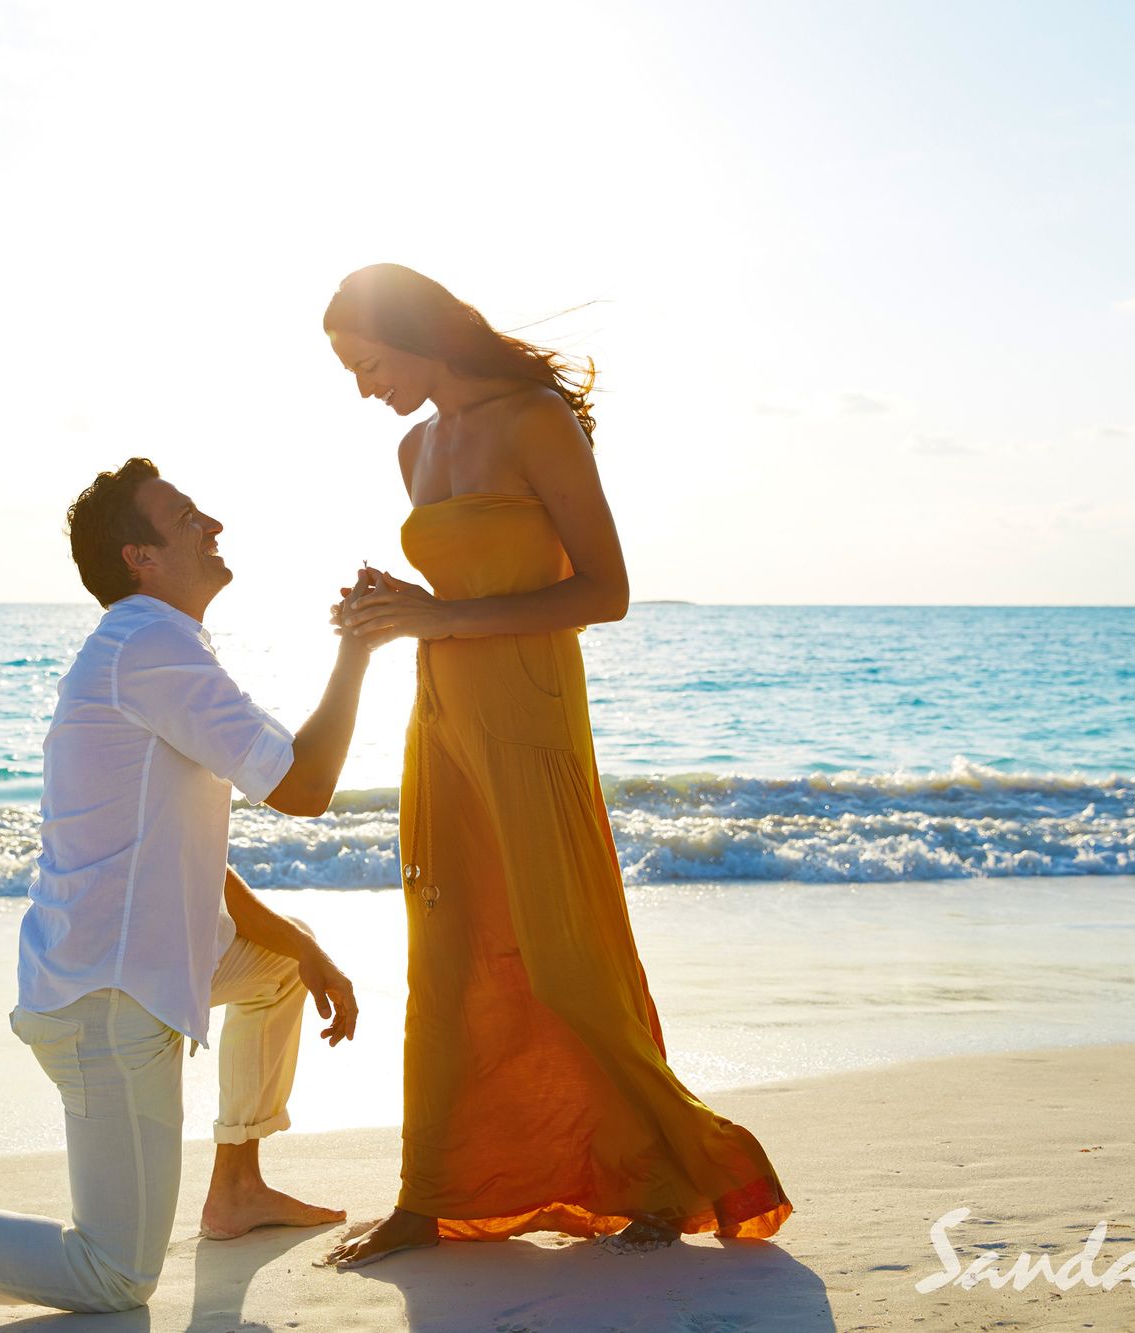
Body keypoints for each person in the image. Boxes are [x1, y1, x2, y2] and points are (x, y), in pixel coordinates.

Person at [0, 458, 376, 1330]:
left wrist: (300, 942)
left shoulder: (155, 643)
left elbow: (175, 839)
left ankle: (237, 1187)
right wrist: (358, 645)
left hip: (134, 961)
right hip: (108, 999)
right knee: (115, 1275)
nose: (213, 523)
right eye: (186, 517)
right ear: (141, 556)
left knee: (281, 961)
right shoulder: (149, 645)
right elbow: (306, 785)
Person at [319, 264, 792, 1267]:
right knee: (444, 954)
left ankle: (664, 1170)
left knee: (565, 957)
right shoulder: (414, 446)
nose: (364, 389)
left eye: (367, 363)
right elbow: (463, 582)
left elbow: (606, 590)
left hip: (529, 717)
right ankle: (427, 1196)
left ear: (413, 334)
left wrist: (439, 614)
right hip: (440, 716)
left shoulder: (534, 419)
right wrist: (396, 605)